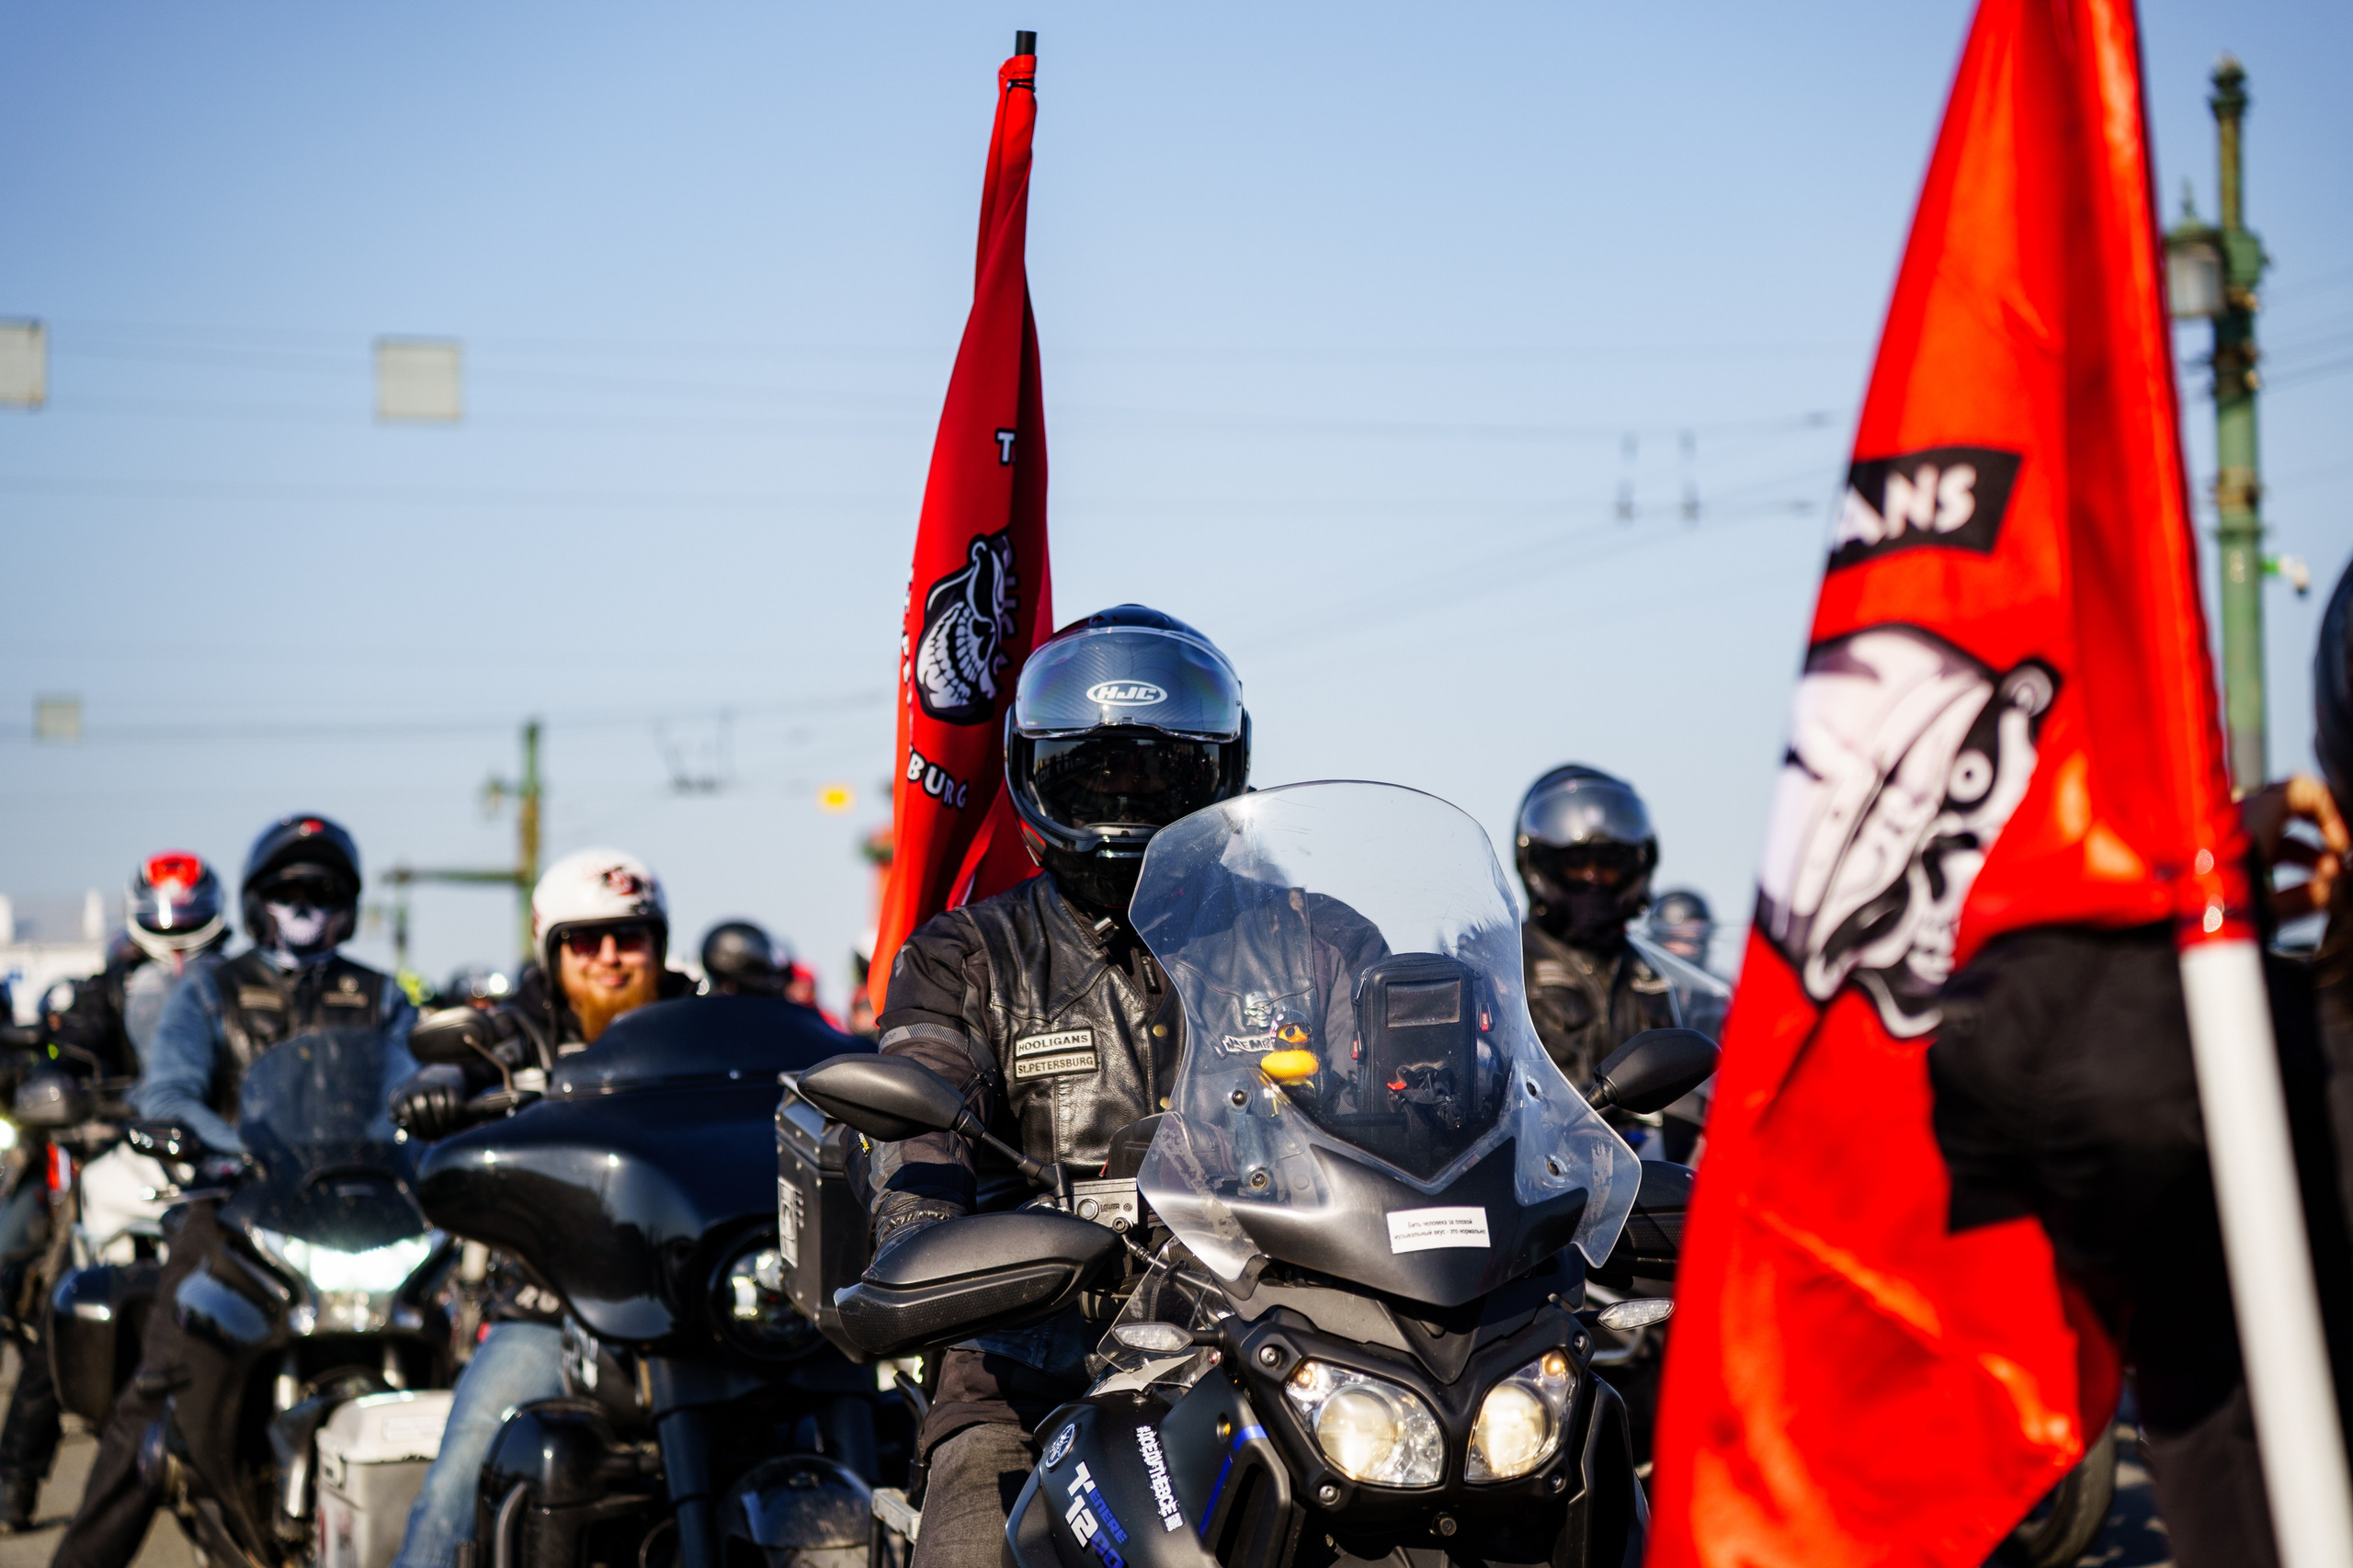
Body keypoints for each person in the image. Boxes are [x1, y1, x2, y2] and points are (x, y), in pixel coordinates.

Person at [868, 606, 1250, 1568]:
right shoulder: (964, 958)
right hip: (1032, 1379)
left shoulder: (1312, 939)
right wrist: (923, 1244)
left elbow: (1425, 1116)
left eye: (1156, 770)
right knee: (969, 1540)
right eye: (1095, 769)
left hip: (1272, 1356)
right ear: (1040, 774)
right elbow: (920, 1128)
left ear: (1216, 772)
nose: (1125, 794)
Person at [51, 815, 416, 1568]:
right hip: (237, 1209)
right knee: (155, 1391)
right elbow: (171, 1094)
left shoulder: (380, 996)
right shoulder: (214, 991)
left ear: (347, 903)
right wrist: (236, 1150)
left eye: (321, 889)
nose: (306, 903)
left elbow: (418, 1088)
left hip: (366, 1214)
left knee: (460, 1346)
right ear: (257, 902)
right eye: (289, 890)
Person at [388, 847, 688, 1568]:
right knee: (457, 1483)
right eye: (586, 941)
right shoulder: (512, 1036)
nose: (611, 958)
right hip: (550, 1313)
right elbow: (464, 1054)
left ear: (659, 945)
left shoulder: (700, 1029)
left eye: (631, 937)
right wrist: (436, 1082)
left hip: (691, 1309)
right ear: (552, 952)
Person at [0, 854, 232, 1530]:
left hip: (221, 1158)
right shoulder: (110, 987)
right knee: (67, 1307)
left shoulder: (244, 982)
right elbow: (68, 1047)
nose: (177, 930)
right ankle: (17, 1478)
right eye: (167, 914)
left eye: (188, 912)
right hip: (126, 1155)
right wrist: (55, 1065)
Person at [1513, 766, 1679, 1085]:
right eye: (1575, 863)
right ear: (1541, 864)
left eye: (1609, 863)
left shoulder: (1654, 974)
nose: (1593, 877)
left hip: (1642, 1134)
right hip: (1537, 1133)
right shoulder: (1504, 967)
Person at [1645, 888, 1717, 971]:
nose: (1697, 945)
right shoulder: (1637, 978)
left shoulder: (1712, 982)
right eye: (1686, 937)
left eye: (1701, 934)